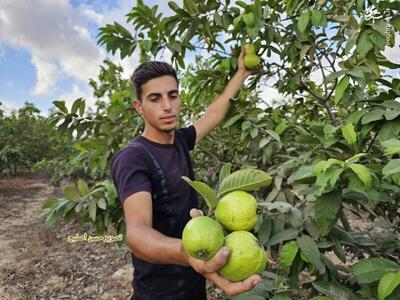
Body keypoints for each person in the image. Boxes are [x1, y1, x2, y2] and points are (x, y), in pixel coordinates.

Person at [111, 48, 261, 300]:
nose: (167, 106)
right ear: (139, 106)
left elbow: (213, 115)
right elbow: (137, 233)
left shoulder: (180, 140)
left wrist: (242, 73)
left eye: (173, 95)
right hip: (157, 293)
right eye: (155, 98)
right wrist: (185, 252)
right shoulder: (133, 157)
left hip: (194, 284)